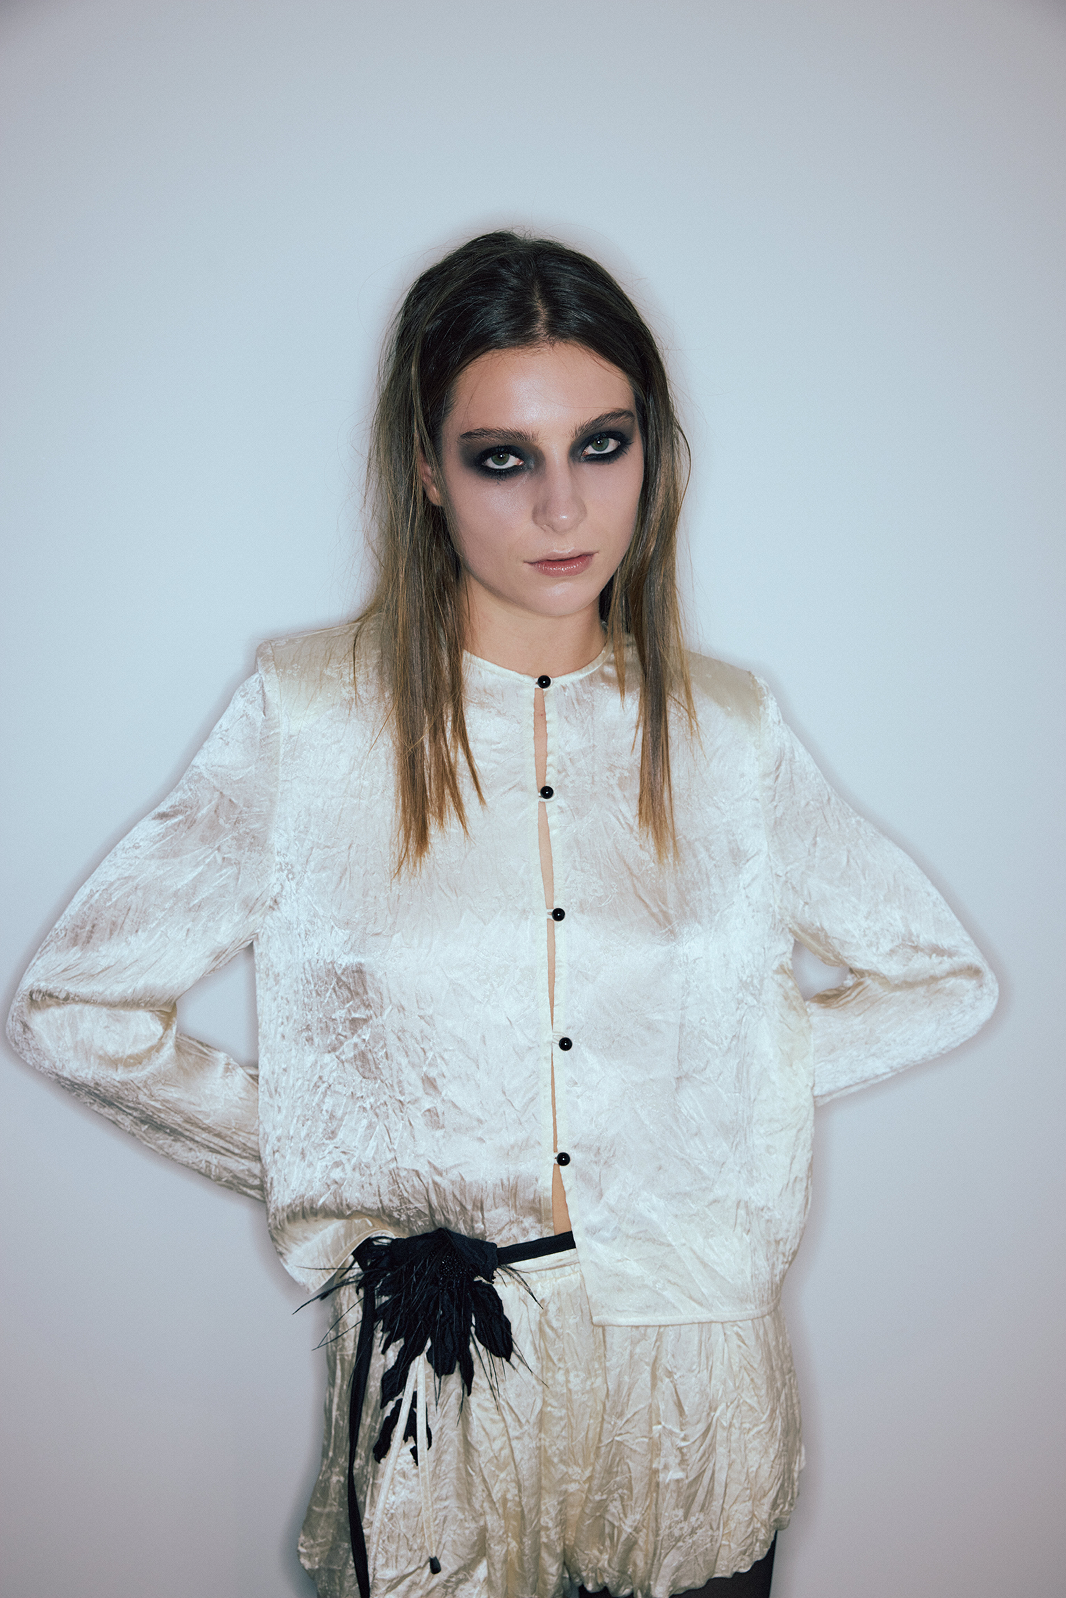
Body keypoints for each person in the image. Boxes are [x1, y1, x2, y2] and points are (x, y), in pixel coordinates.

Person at [6, 231, 997, 1598]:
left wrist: (715, 1089)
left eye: (601, 445)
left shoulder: (725, 732)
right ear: (427, 469)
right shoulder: (312, 719)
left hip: (690, 1380)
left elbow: (939, 975)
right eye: (501, 457)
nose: (561, 507)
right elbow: (77, 1008)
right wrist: (341, 1151)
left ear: (651, 452)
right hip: (452, 1382)